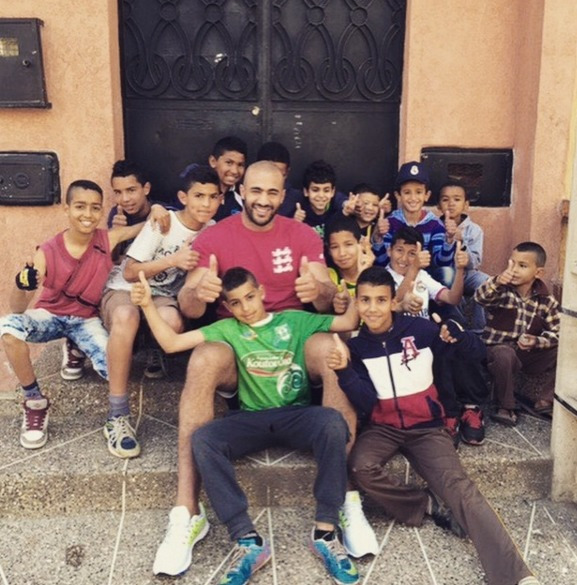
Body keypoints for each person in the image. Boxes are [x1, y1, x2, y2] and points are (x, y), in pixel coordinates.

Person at [154, 161, 371, 576]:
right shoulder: (215, 236)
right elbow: (188, 306)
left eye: (272, 193)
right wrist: (199, 292)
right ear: (241, 191)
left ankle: (343, 497)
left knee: (333, 348)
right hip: (238, 346)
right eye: (256, 191)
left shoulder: (302, 234)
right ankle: (186, 512)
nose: (263, 200)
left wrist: (320, 290)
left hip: (292, 339)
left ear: (284, 194)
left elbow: (328, 301)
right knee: (202, 359)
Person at [133, 267, 361, 583]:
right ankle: (247, 540)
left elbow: (348, 322)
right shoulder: (227, 328)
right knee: (203, 439)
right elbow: (171, 343)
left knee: (333, 422)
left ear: (262, 292)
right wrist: (147, 305)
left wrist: (356, 280)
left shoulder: (294, 320)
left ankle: (325, 531)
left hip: (296, 415)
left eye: (250, 297)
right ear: (228, 306)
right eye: (236, 303)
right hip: (251, 418)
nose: (246, 308)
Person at [326, 266, 541, 585]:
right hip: (383, 428)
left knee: (460, 489)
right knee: (360, 466)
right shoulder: (357, 348)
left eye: (381, 300)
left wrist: (458, 333)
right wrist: (345, 371)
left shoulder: (421, 330)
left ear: (393, 302)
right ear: (357, 303)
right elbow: (368, 402)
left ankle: (516, 576)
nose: (372, 309)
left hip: (427, 428)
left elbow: (477, 354)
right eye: (365, 300)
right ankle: (424, 503)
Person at [0, 180, 145, 452]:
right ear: (67, 209)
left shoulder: (107, 239)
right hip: (51, 315)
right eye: (80, 206)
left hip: (86, 321)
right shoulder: (47, 251)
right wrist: (22, 284)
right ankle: (34, 401)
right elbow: (18, 307)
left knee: (115, 366)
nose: (87, 214)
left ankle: (115, 415)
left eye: (95, 208)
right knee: (8, 328)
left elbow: (140, 228)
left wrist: (159, 211)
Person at [99, 165, 221, 457]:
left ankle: (149, 344)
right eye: (199, 196)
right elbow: (129, 272)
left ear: (221, 198)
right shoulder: (164, 221)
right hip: (125, 289)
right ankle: (117, 415)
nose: (206, 204)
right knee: (126, 316)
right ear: (183, 197)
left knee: (171, 321)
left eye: (212, 197)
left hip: (162, 296)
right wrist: (174, 260)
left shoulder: (214, 229)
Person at [61, 159, 171, 381]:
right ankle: (77, 343)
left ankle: (154, 347)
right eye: (118, 192)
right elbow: (110, 261)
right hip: (122, 283)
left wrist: (158, 209)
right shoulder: (117, 214)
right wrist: (117, 235)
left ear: (146, 189)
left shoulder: (162, 211)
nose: (125, 199)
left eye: (131, 190)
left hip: (156, 282)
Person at [385, 226, 489, 446]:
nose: (404, 258)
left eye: (412, 253)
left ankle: (470, 408)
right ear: (389, 251)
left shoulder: (423, 276)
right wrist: (414, 269)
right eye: (399, 250)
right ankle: (450, 413)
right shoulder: (383, 276)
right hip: (402, 341)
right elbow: (394, 303)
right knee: (443, 344)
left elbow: (452, 298)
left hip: (428, 335)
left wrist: (459, 270)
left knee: (458, 338)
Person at [474, 242, 559, 426]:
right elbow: (480, 298)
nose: (514, 270)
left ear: (538, 273)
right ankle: (505, 406)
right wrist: (497, 281)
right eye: (512, 263)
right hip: (498, 352)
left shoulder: (546, 300)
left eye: (522, 266)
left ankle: (546, 400)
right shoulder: (502, 290)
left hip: (527, 354)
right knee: (504, 353)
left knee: (566, 349)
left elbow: (558, 332)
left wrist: (537, 341)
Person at [372, 161, 455, 279]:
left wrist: (449, 239)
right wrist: (378, 238)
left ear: (427, 195)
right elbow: (382, 262)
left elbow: (441, 263)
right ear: (398, 195)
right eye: (407, 192)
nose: (413, 198)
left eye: (418, 192)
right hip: (395, 276)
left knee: (448, 272)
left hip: (424, 278)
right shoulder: (390, 223)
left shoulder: (435, 224)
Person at [437, 181, 489, 332]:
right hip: (444, 274)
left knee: (485, 281)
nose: (451, 204)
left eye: (457, 199)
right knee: (450, 277)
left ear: (466, 205)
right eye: (445, 200)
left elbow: (475, 263)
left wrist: (462, 241)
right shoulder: (435, 227)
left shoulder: (474, 230)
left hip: (467, 274)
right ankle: (459, 325)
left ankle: (479, 329)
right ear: (439, 206)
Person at [325, 215, 375, 312]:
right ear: (329, 251)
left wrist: (364, 275)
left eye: (348, 244)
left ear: (361, 244)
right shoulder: (328, 276)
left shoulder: (377, 276)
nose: (342, 253)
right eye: (335, 247)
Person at [294, 159, 340, 239]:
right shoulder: (299, 214)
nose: (321, 195)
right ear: (306, 192)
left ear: (332, 192)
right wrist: (295, 223)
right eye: (315, 190)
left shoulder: (336, 211)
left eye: (326, 190)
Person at [255, 140, 302, 218]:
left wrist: (295, 222)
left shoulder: (296, 199)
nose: (273, 180)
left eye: (279, 175)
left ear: (287, 173)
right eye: (269, 174)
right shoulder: (247, 195)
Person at [209, 135, 248, 221]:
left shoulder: (242, 200)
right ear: (213, 162)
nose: (235, 171)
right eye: (229, 163)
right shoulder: (198, 194)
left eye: (240, 165)